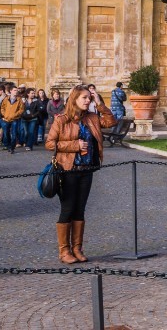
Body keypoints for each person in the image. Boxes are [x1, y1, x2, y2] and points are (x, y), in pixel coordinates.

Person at [46, 85, 116, 264]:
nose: (87, 100)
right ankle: (64, 251)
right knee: (68, 209)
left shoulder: (92, 118)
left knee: (80, 209)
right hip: (67, 171)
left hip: (86, 170)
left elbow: (110, 121)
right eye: (84, 97)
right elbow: (50, 144)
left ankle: (77, 248)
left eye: (89, 98)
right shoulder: (61, 119)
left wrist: (99, 103)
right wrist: (74, 146)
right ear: (74, 99)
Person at [0, 86, 24, 154]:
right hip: (6, 119)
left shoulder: (19, 100)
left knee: (14, 134)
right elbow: (2, 107)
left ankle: (12, 148)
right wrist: (4, 114)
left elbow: (21, 109)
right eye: (14, 90)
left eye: (16, 90)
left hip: (15, 119)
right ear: (11, 91)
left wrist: (15, 114)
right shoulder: (6, 99)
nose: (16, 91)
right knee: (6, 133)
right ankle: (8, 146)